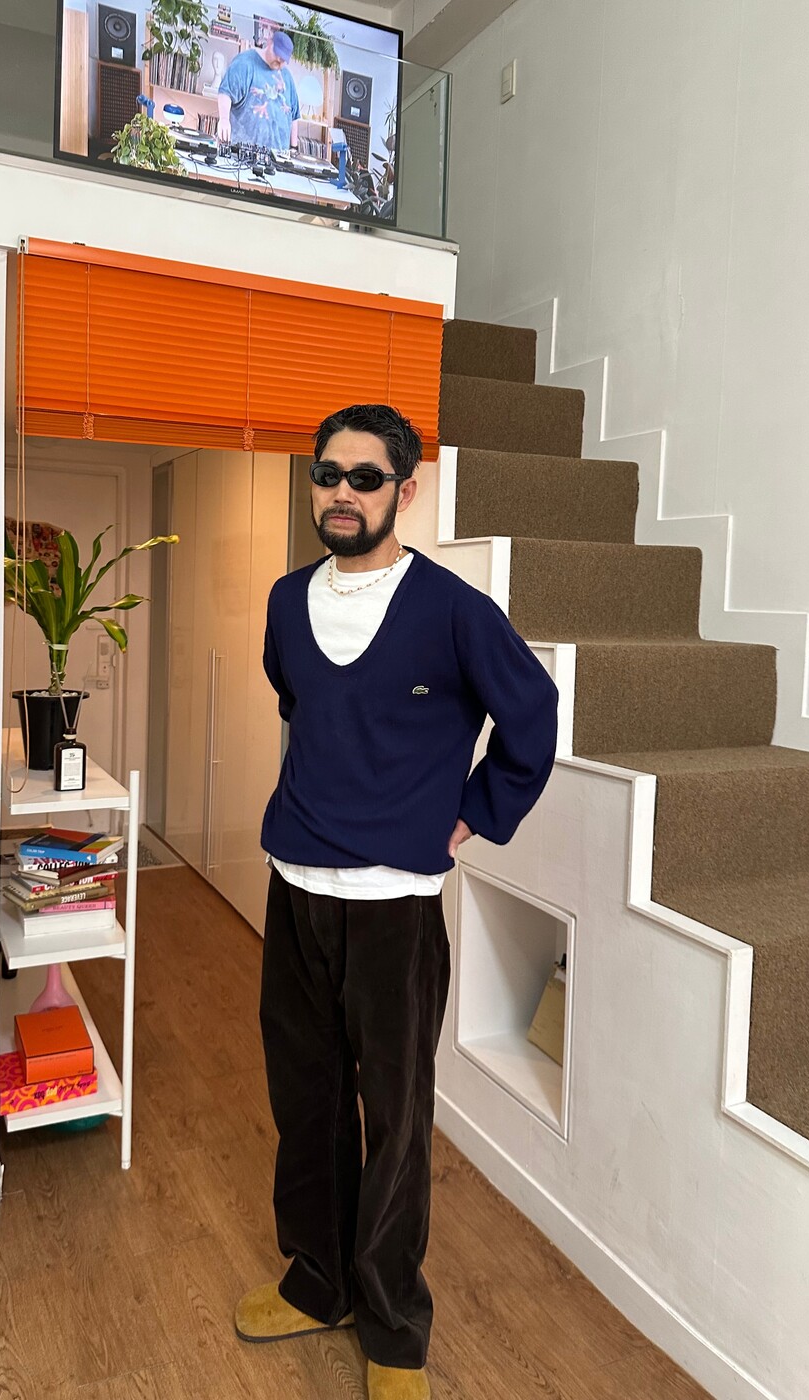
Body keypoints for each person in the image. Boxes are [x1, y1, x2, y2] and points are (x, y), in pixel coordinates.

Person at [235, 404, 559, 1400]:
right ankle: (318, 1280)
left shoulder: (454, 611)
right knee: (307, 1102)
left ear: (404, 491)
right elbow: (301, 703)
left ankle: (392, 1327)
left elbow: (532, 713)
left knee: (396, 1119)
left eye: (365, 477)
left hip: (395, 908)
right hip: (295, 887)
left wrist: (471, 816)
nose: (341, 492)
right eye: (327, 473)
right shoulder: (287, 602)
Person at [216, 29, 300, 150]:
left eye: (283, 59)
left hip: (279, 156)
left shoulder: (287, 77)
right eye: (277, 54)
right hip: (243, 151)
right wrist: (224, 120)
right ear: (269, 43)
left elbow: (294, 116)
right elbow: (226, 92)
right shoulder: (245, 63)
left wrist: (294, 148)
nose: (279, 60)